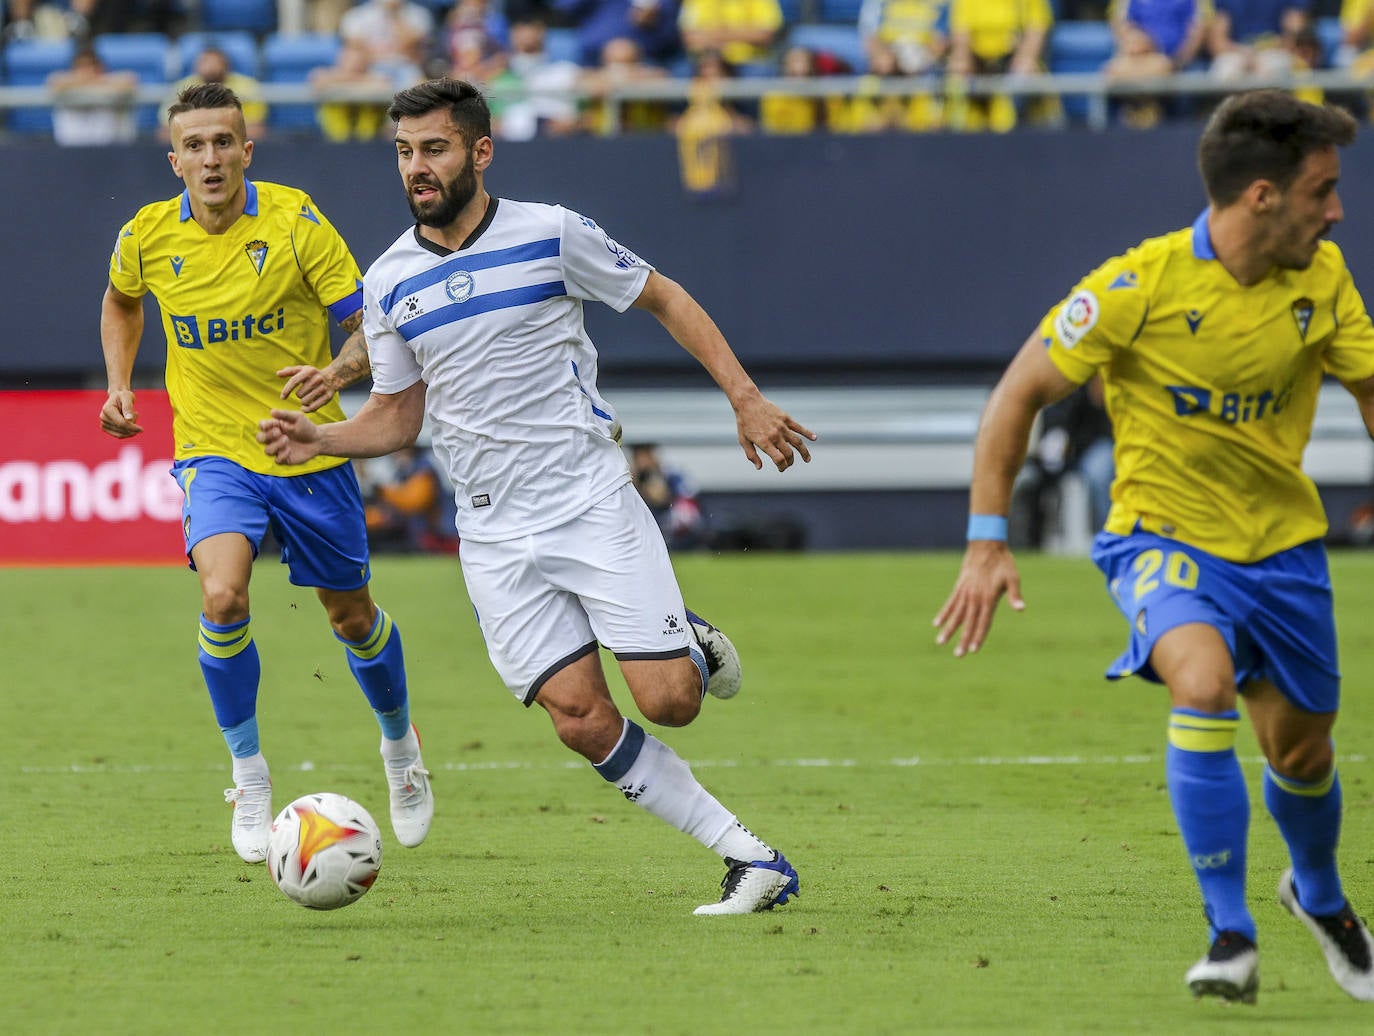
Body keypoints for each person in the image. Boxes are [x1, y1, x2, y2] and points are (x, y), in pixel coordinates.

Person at [258, 77, 817, 914]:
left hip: (588, 499)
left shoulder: (551, 234)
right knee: (579, 718)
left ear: (480, 152)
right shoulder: (389, 283)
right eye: (405, 152)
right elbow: (399, 415)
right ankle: (751, 860)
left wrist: (743, 395)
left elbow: (662, 295)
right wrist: (324, 438)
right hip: (489, 534)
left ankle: (687, 645)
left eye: (435, 148)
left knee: (670, 704)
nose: (418, 167)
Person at [934, 90, 1374, 1004]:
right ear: (1262, 196)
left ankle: (1320, 897)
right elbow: (1017, 395)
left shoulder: (1322, 279)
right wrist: (986, 541)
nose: (1336, 212)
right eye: (1322, 191)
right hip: (1161, 541)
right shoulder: (1137, 288)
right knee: (1201, 685)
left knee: (1302, 757)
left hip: (1286, 553)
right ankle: (1229, 935)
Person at [98, 82, 434, 865]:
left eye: (224, 142)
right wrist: (121, 380)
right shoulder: (146, 235)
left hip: (308, 447)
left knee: (351, 617)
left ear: (247, 150)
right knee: (222, 594)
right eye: (195, 145)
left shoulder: (295, 221)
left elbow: (368, 324)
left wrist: (335, 376)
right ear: (173, 157)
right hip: (215, 449)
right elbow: (121, 304)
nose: (210, 158)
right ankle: (249, 773)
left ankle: (400, 748)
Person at [47, 41, 138, 147]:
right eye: (82, 66)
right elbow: (54, 83)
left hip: (112, 151)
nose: (87, 70)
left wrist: (93, 80)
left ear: (101, 67)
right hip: (72, 152)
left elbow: (130, 81)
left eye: (91, 65)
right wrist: (86, 80)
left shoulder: (113, 83)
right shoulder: (63, 84)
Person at [168, 44, 267, 140]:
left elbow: (256, 129)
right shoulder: (182, 87)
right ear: (196, 66)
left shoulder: (247, 86)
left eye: (215, 62)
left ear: (226, 65)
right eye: (205, 62)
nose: (210, 67)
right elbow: (166, 129)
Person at [629, 442, 706, 550]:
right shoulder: (630, 478)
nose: (642, 462)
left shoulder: (670, 475)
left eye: (645, 456)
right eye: (638, 457)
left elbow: (667, 500)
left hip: (675, 526)